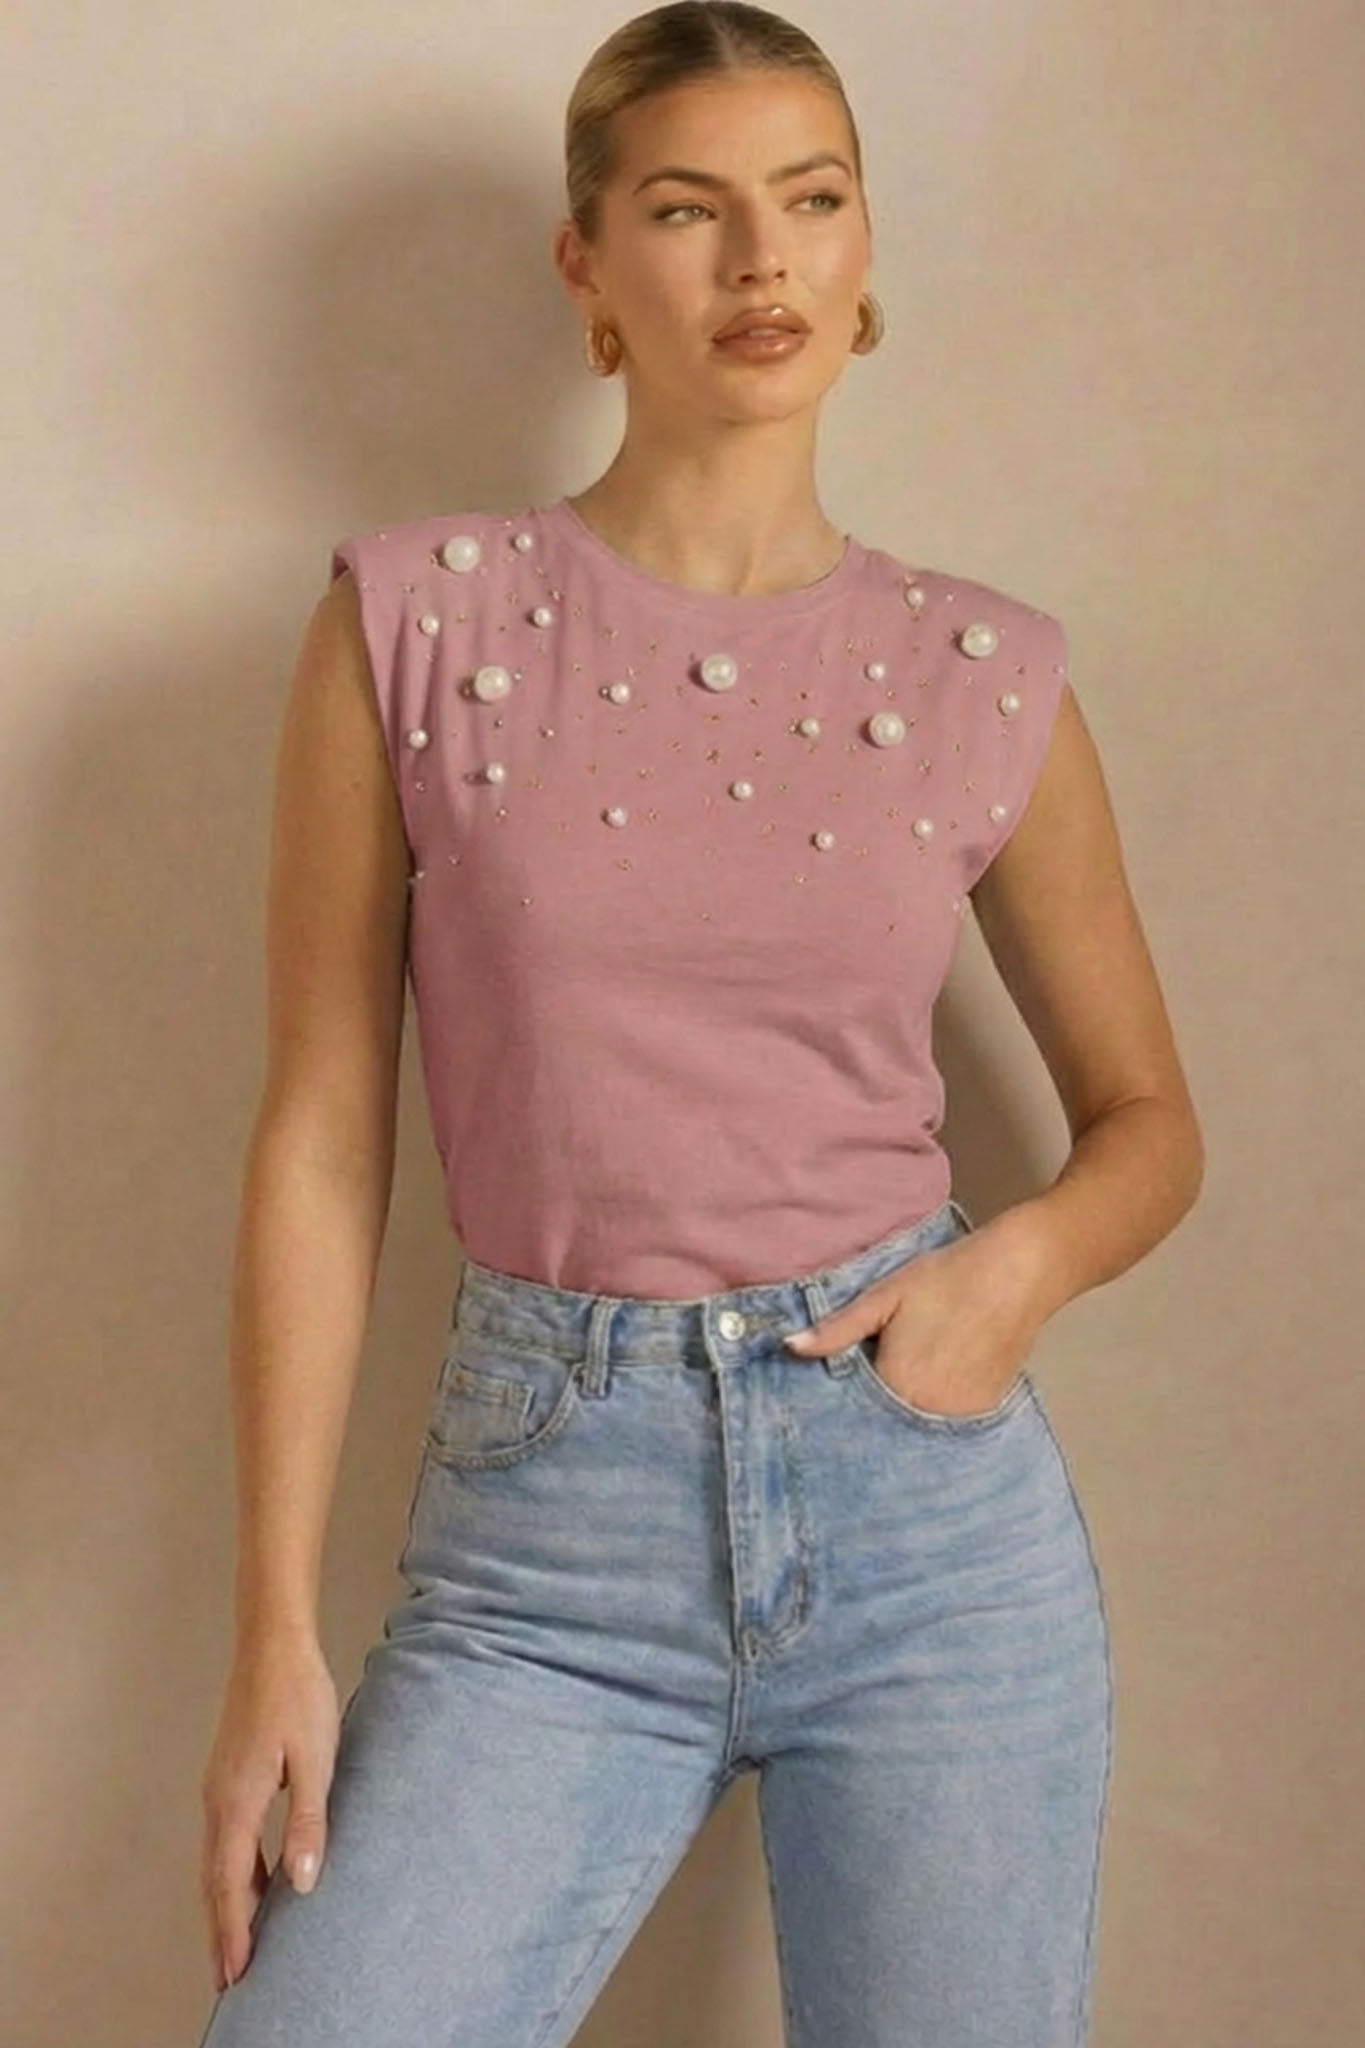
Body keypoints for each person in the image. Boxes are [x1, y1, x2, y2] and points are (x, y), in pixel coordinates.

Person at [195, 5, 1204, 2044]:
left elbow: (1145, 1122)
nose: (760, 260)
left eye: (809, 201)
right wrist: (273, 1631)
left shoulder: (982, 669)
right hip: (541, 1552)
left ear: (861, 249)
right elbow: (320, 1133)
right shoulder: (411, 623)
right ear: (586, 264)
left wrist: (1004, 1278)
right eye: (687, 210)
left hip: (928, 1532)